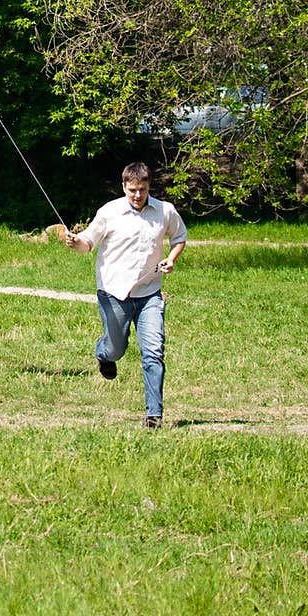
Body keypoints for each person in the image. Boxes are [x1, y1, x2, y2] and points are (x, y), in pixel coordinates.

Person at [63, 161, 186, 429]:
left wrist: (171, 258)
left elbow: (179, 238)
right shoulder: (110, 212)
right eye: (132, 190)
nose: (137, 195)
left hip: (150, 293)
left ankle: (154, 415)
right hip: (113, 292)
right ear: (123, 187)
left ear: (149, 186)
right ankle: (103, 354)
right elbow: (87, 244)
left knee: (153, 351)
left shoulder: (165, 211)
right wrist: (75, 242)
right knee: (116, 348)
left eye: (142, 189)